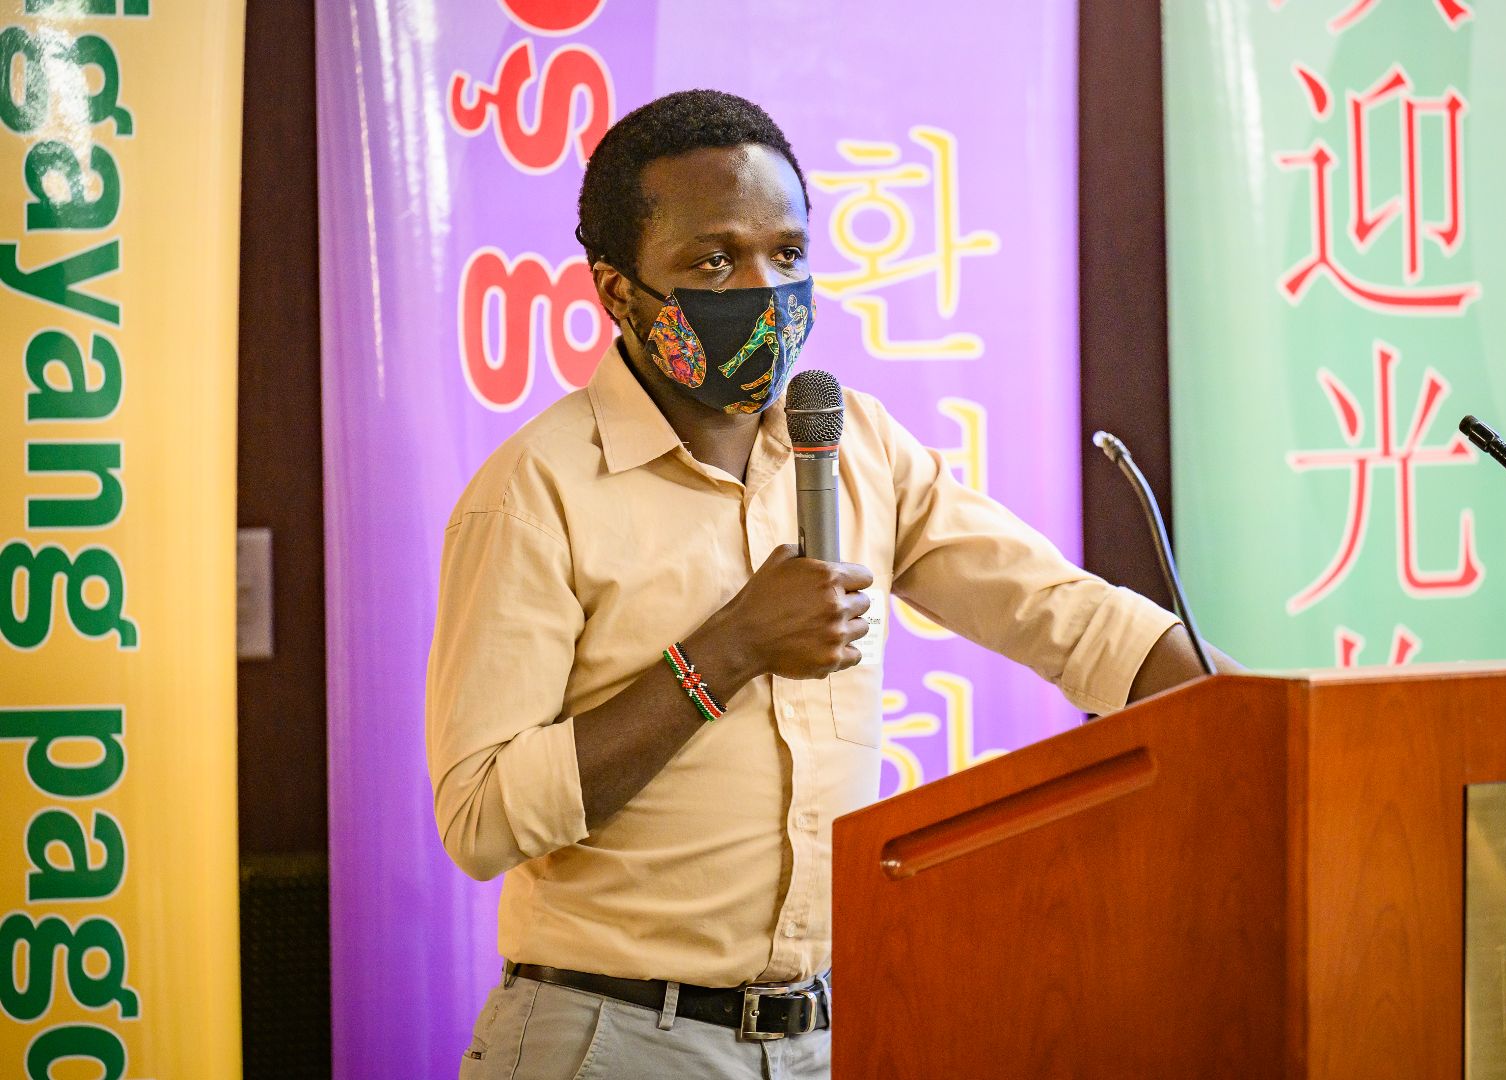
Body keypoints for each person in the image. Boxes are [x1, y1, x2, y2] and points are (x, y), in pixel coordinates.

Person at [426, 88, 1233, 1080]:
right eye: (715, 261)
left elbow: (1067, 618)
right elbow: (480, 818)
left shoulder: (858, 449)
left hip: (825, 1039)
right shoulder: (534, 492)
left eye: (789, 255)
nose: (765, 289)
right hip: (612, 1036)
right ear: (617, 290)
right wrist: (725, 653)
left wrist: (1276, 716)